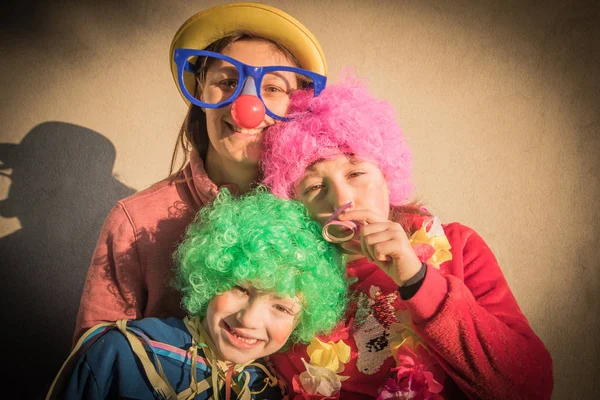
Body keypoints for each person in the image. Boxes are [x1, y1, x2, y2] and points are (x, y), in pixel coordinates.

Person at [260, 76, 554, 399]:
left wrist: (417, 280)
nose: (341, 199)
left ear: (388, 179)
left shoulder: (458, 247)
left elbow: (531, 387)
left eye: (356, 173)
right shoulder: (287, 290)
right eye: (315, 187)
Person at [74, 2, 328, 341]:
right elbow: (96, 364)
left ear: (296, 105)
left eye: (272, 88)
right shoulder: (134, 222)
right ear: (199, 92)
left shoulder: (318, 209)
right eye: (227, 81)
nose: (246, 106)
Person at [48, 189, 348, 399]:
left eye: (281, 307)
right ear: (210, 276)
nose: (249, 319)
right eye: (240, 288)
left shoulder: (269, 389)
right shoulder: (118, 353)